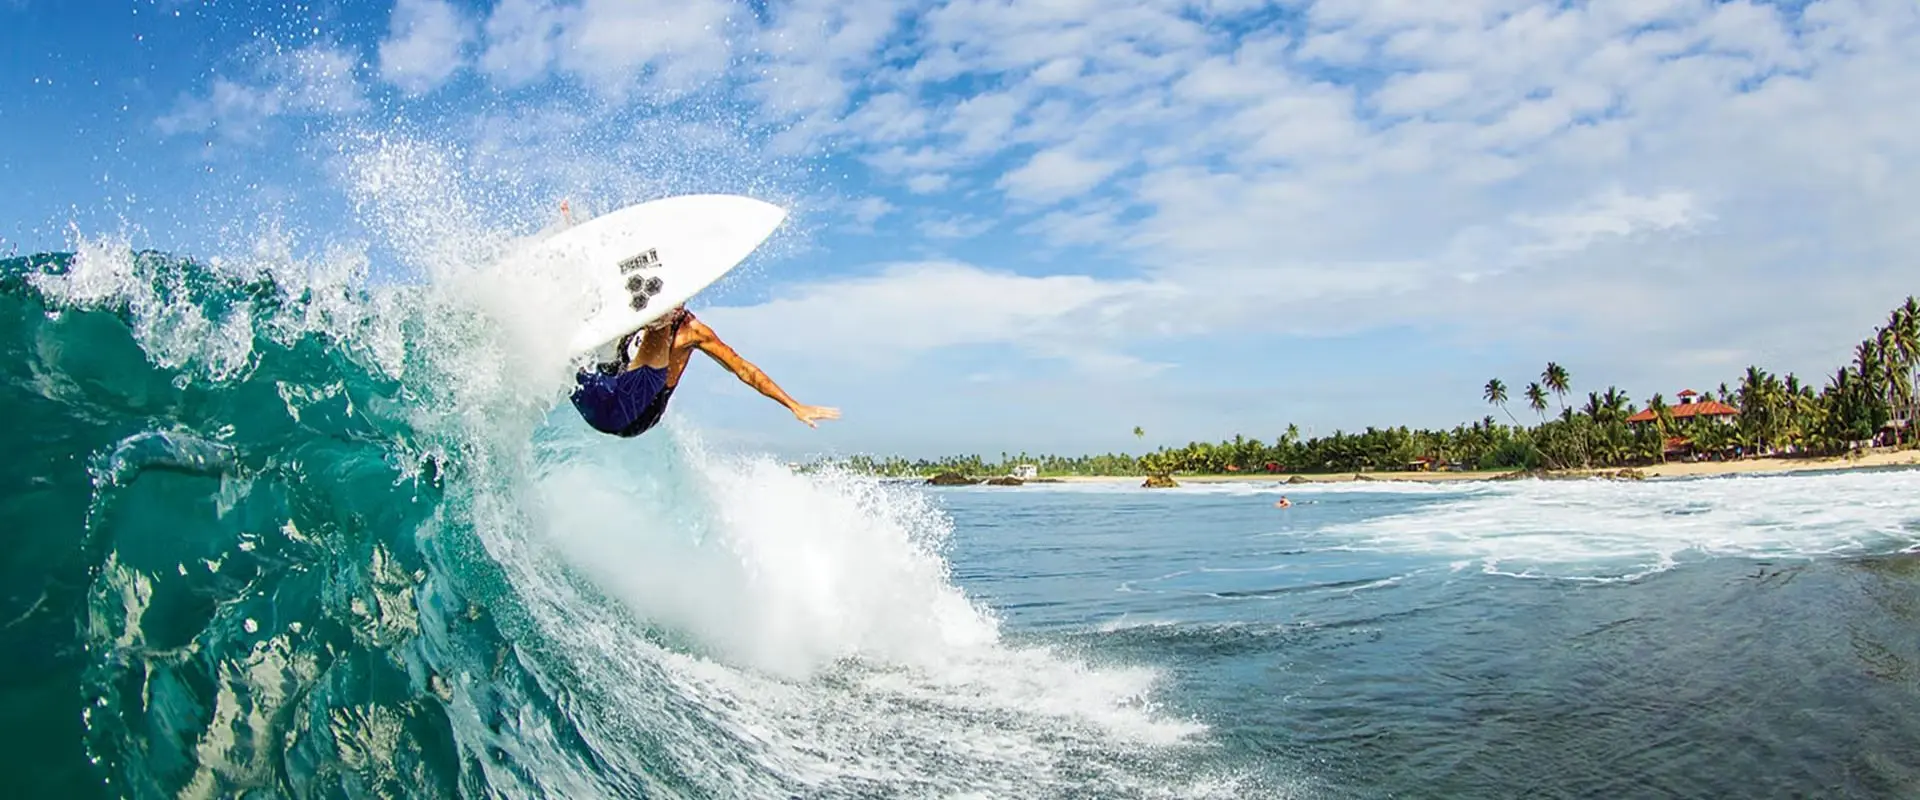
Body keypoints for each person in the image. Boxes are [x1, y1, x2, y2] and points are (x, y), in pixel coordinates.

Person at [569, 304, 839, 438]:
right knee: (567, 365)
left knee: (658, 325)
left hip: (633, 416)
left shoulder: (693, 331)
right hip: (605, 400)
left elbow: (743, 370)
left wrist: (793, 405)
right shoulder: (636, 309)